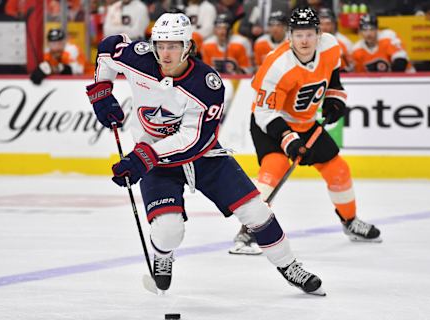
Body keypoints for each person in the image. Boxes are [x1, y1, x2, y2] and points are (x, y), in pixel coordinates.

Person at [86, 12, 325, 296]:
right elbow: (108, 48)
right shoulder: (139, 59)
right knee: (168, 231)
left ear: (188, 46)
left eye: (173, 45)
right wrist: (102, 91)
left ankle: (290, 266)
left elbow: (193, 139)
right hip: (157, 163)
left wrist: (142, 158)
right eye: (160, 45)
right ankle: (163, 256)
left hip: (204, 157)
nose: (165, 53)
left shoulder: (207, 84)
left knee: (256, 211)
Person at [229, 7, 382, 255]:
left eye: (310, 34)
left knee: (338, 170)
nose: (304, 40)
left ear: (319, 34)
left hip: (306, 122)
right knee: (272, 173)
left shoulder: (330, 46)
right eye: (298, 35)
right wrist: (289, 141)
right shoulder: (276, 65)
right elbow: (265, 113)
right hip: (270, 124)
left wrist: (335, 100)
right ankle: (250, 229)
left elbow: (333, 79)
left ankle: (350, 222)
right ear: (290, 36)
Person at [318, 8, 353, 72]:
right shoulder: (312, 41)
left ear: (334, 24)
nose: (324, 27)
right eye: (321, 24)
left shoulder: (345, 42)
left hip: (342, 76)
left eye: (328, 24)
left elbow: (352, 67)